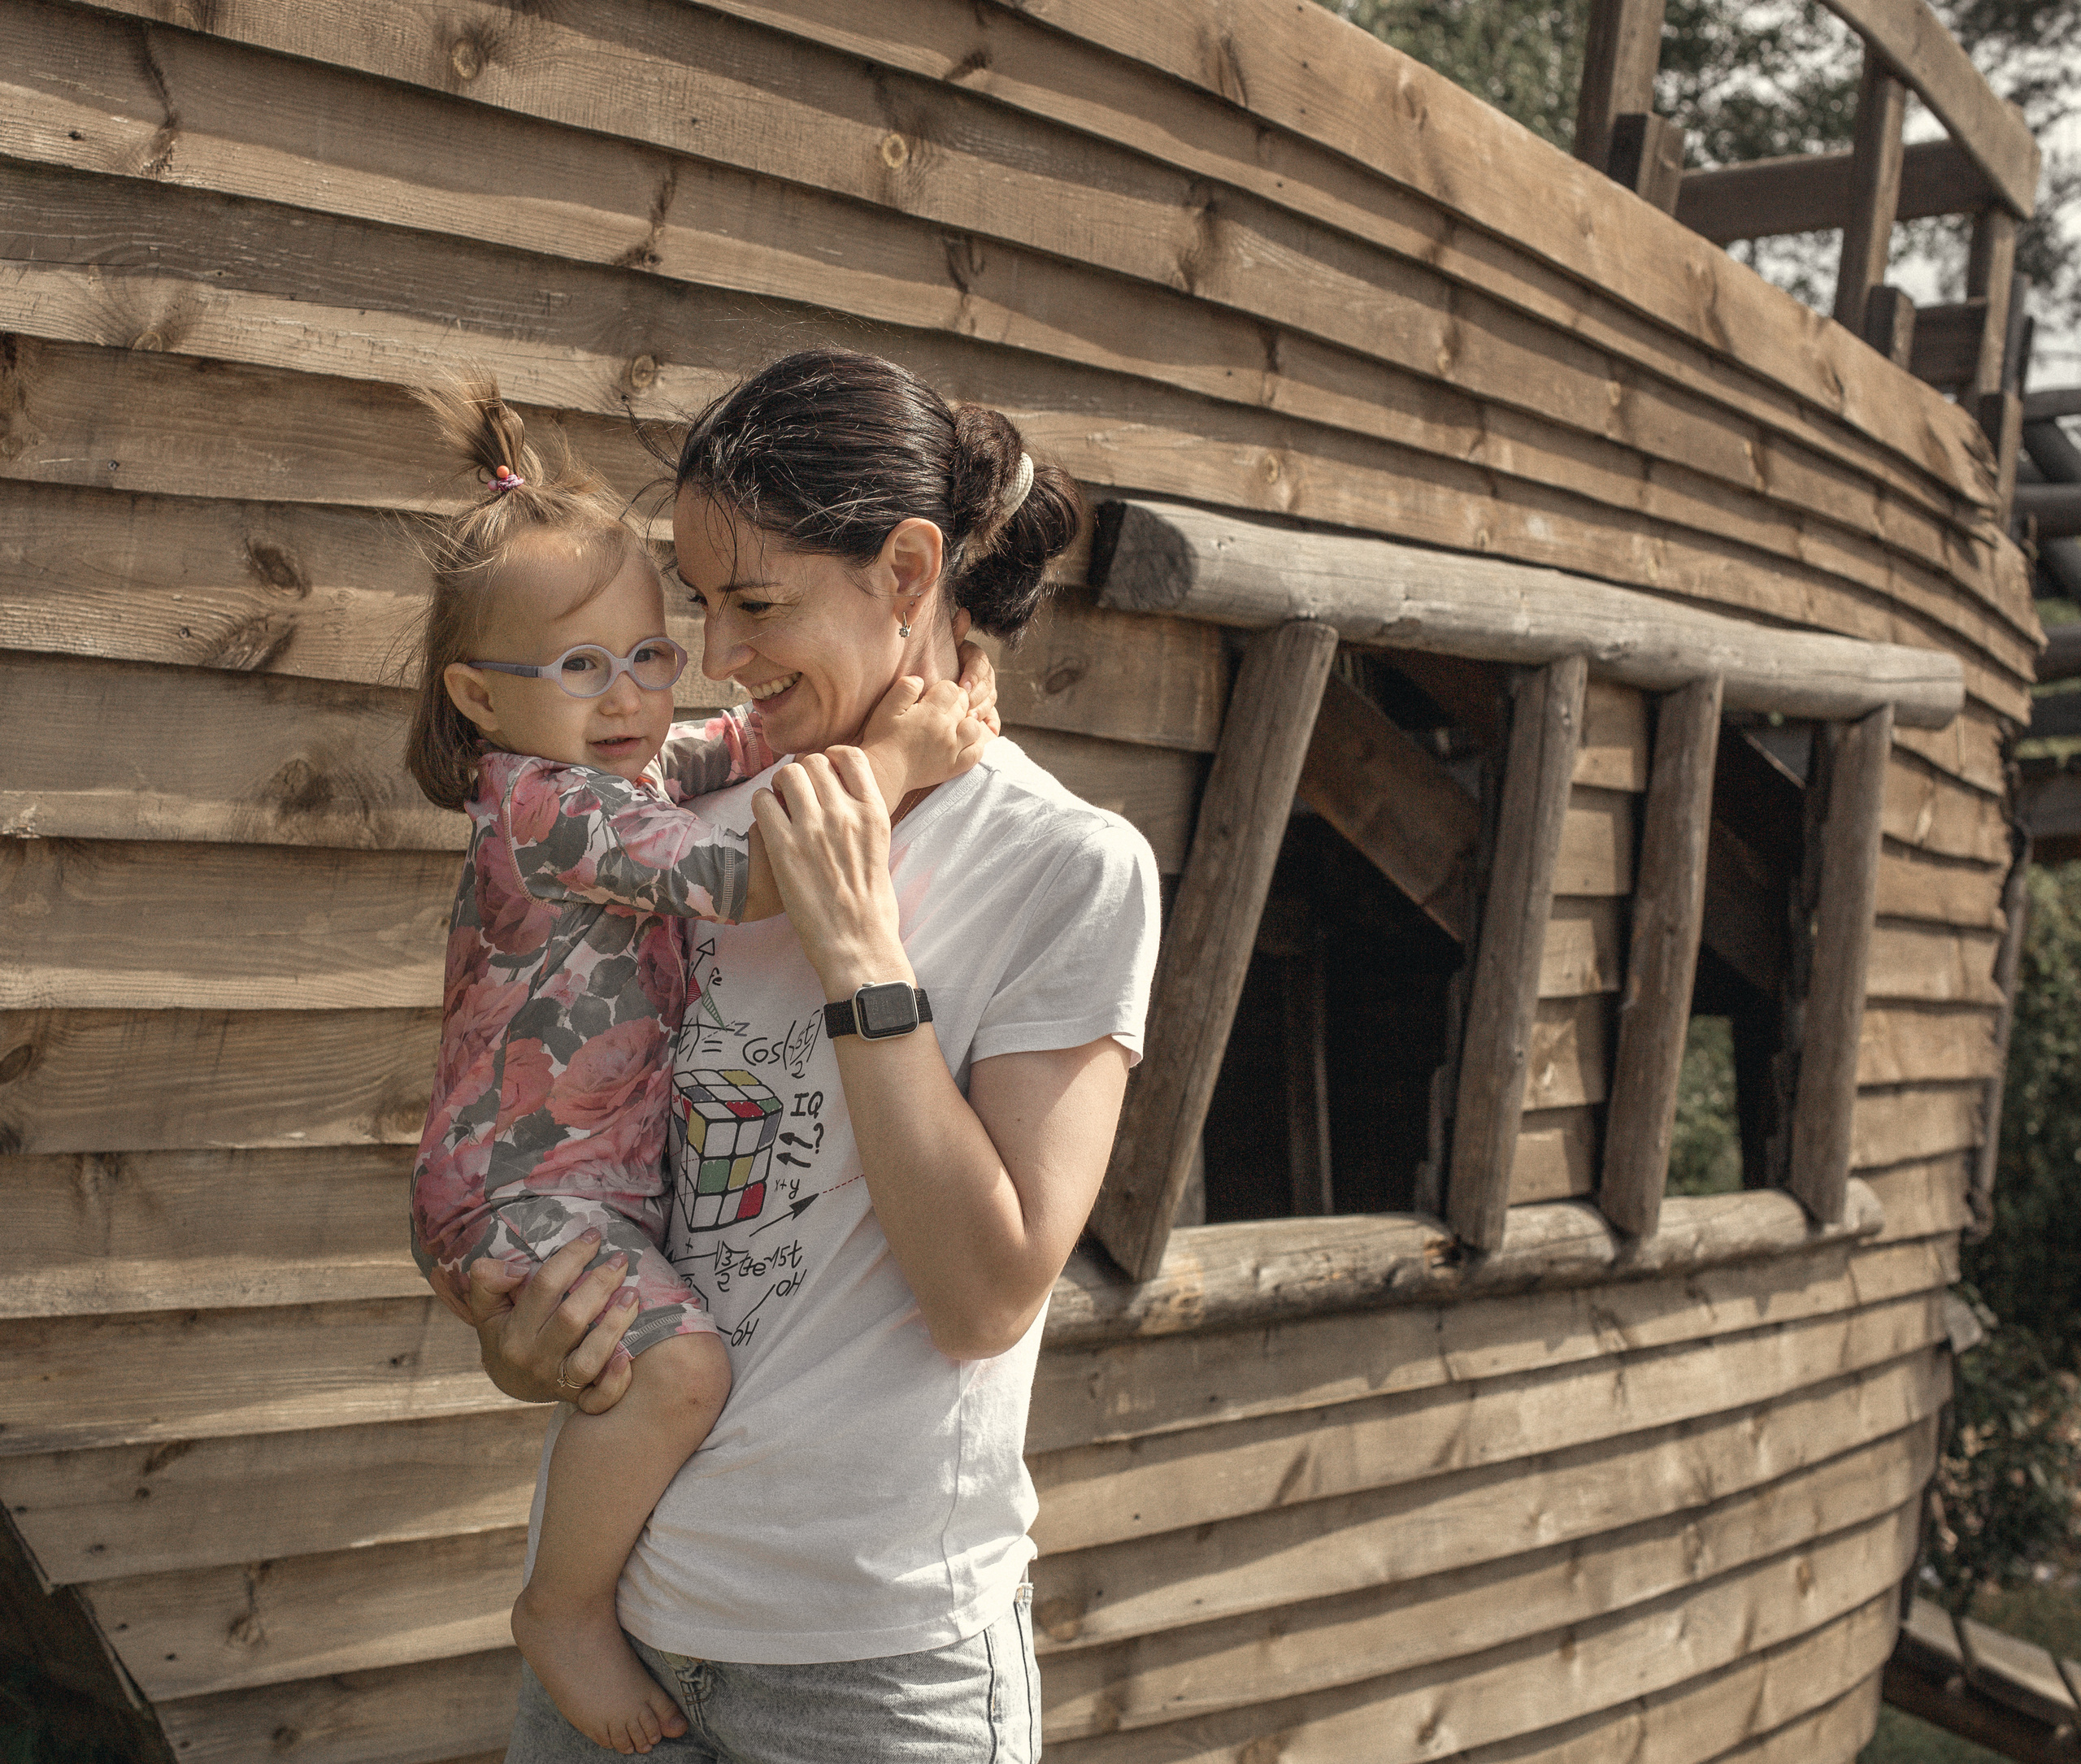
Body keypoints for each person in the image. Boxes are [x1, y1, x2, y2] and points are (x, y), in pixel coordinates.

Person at [455, 347, 1162, 1763]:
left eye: (756, 602)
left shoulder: (1069, 868)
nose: (716, 657)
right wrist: (530, 1333)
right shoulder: (702, 823)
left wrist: (859, 958)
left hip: (873, 1675)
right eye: (702, 604)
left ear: (909, 571)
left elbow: (983, 1293)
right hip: (631, 1620)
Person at [402, 373, 996, 1755]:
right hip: (524, 1191)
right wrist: (899, 754)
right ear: (480, 697)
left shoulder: (622, 757)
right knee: (677, 1373)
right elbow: (743, 873)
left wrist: (903, 688)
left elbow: (732, 740)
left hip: (578, 1188)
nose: (640, 694)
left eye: (651, 652)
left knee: (656, 1364)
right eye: (582, 667)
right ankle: (561, 1607)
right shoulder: (546, 805)